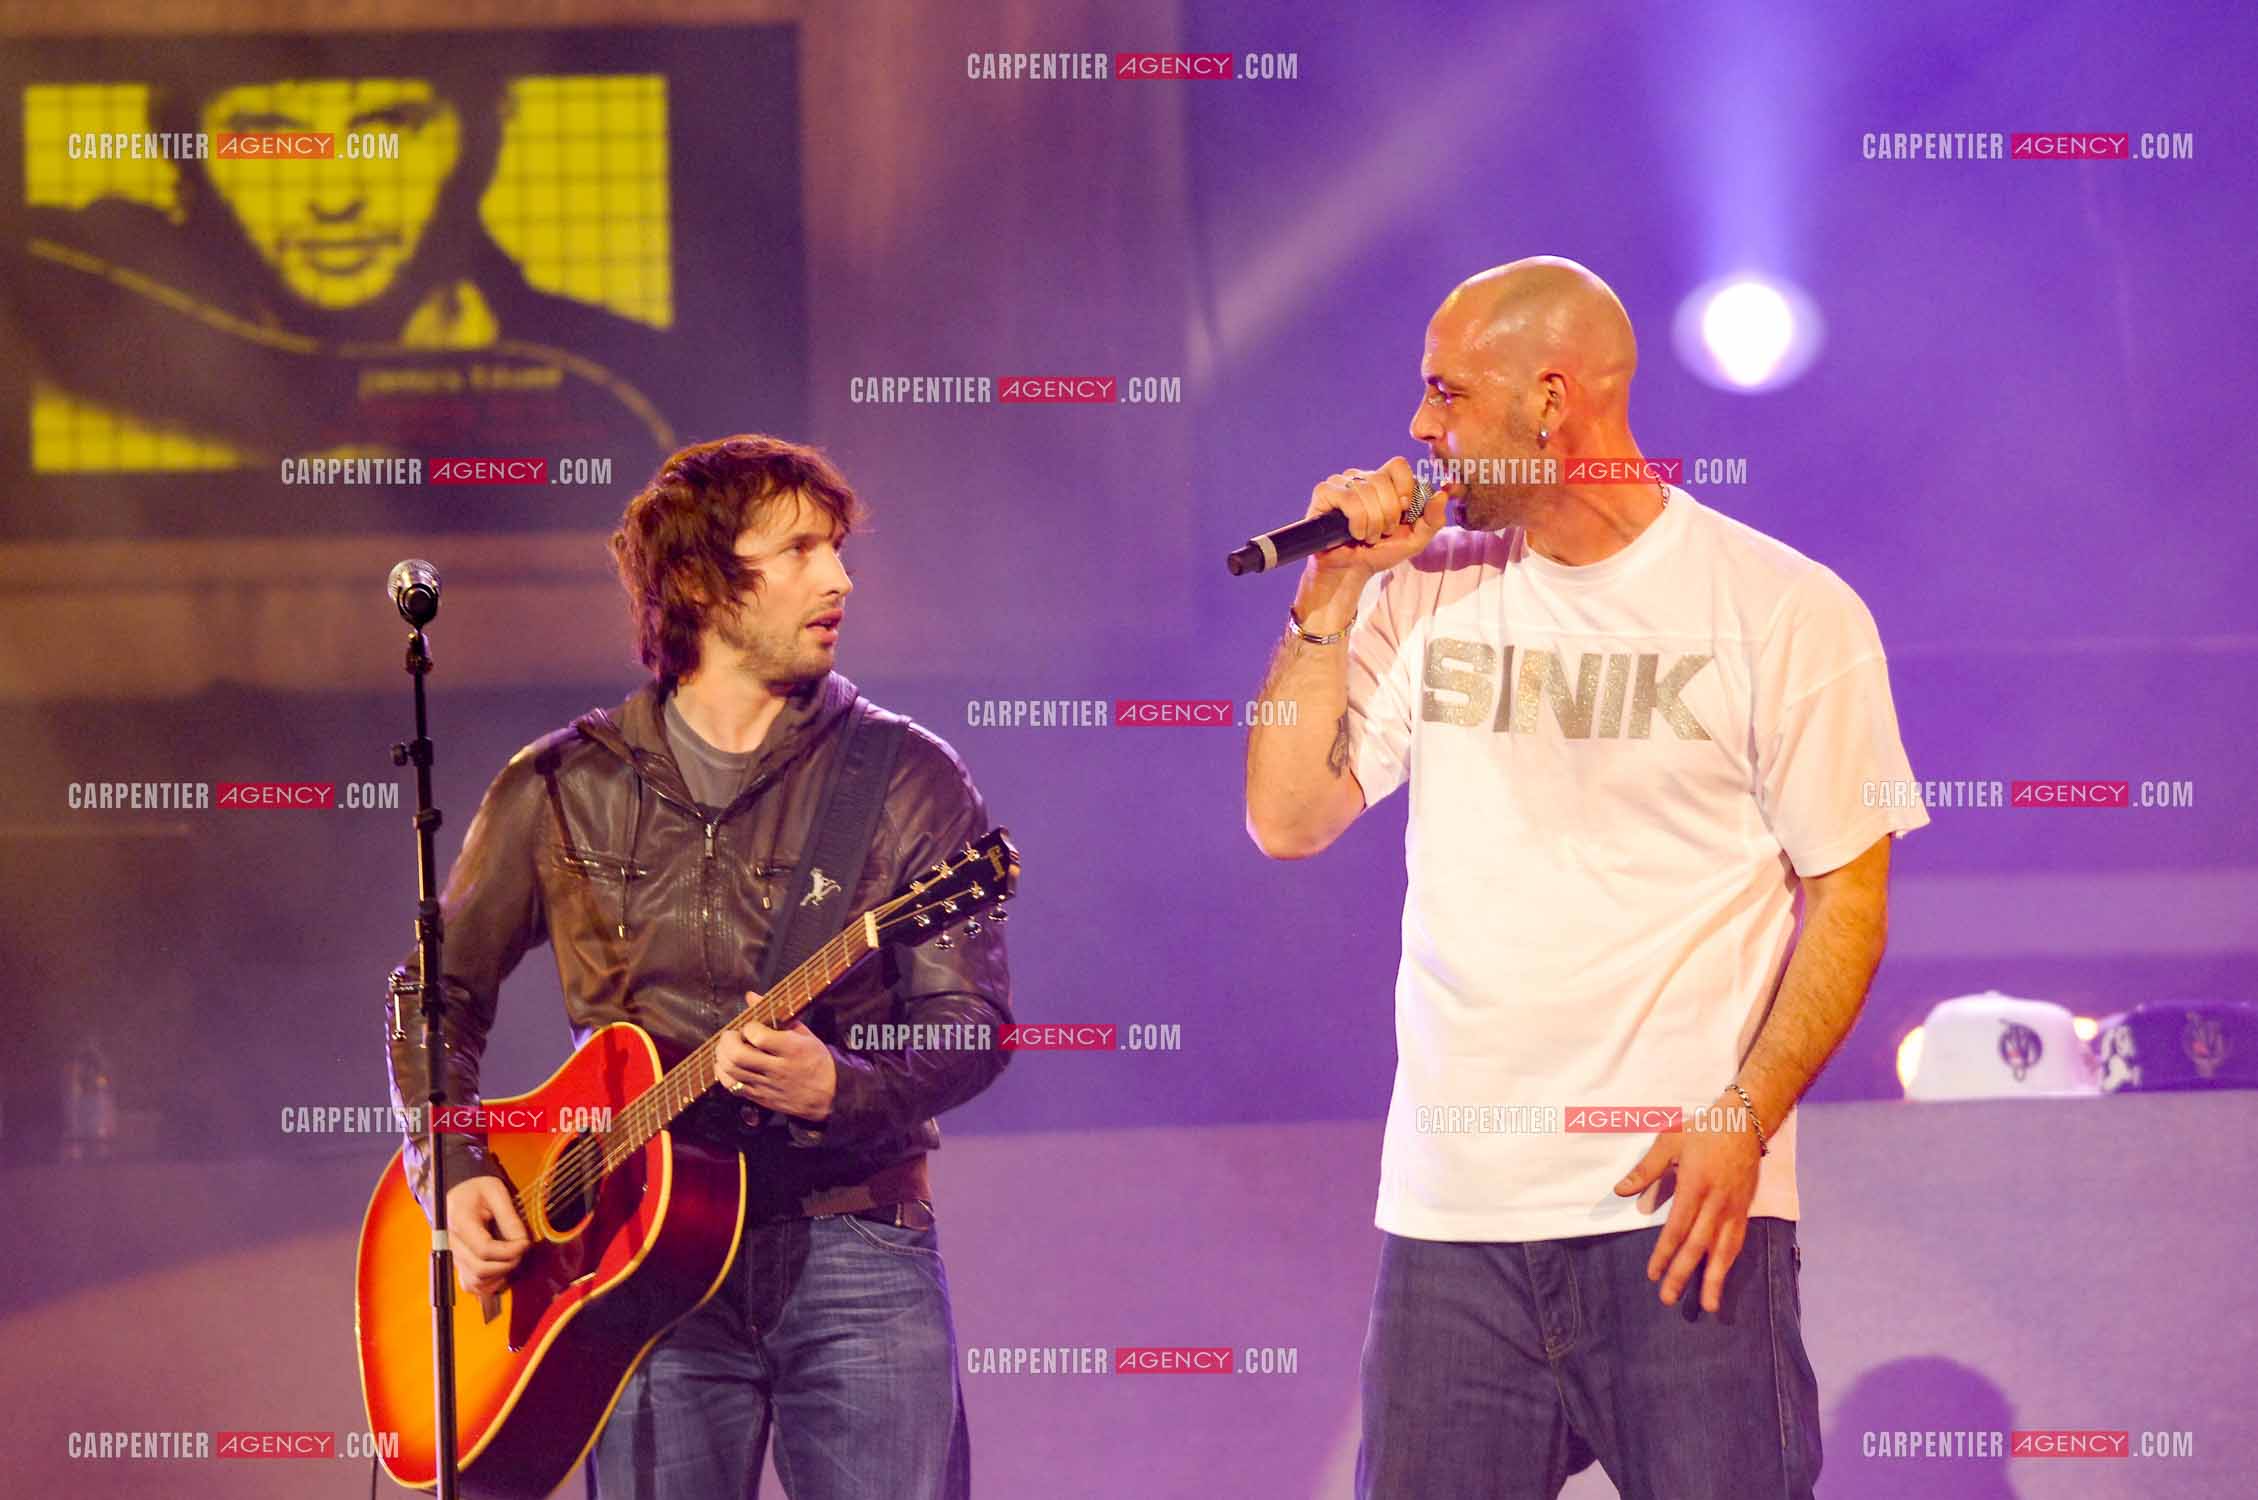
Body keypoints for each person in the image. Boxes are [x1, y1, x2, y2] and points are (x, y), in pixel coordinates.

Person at [1244, 257, 1929, 1500]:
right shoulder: (1420, 590)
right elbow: (1286, 819)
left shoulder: (1779, 610)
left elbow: (1848, 896)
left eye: (1444, 394)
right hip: (1453, 1221)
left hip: (1676, 1207)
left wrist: (1744, 1114)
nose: (1418, 429)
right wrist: (1331, 586)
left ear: (1550, 400)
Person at [385, 433, 1010, 1499]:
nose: (840, 577)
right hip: (626, 1266)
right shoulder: (561, 783)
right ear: (700, 584)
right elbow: (433, 994)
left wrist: (847, 1089)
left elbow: (971, 1020)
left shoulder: (904, 775)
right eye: (801, 550)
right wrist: (452, 1166)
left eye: (838, 547)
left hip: (851, 1240)